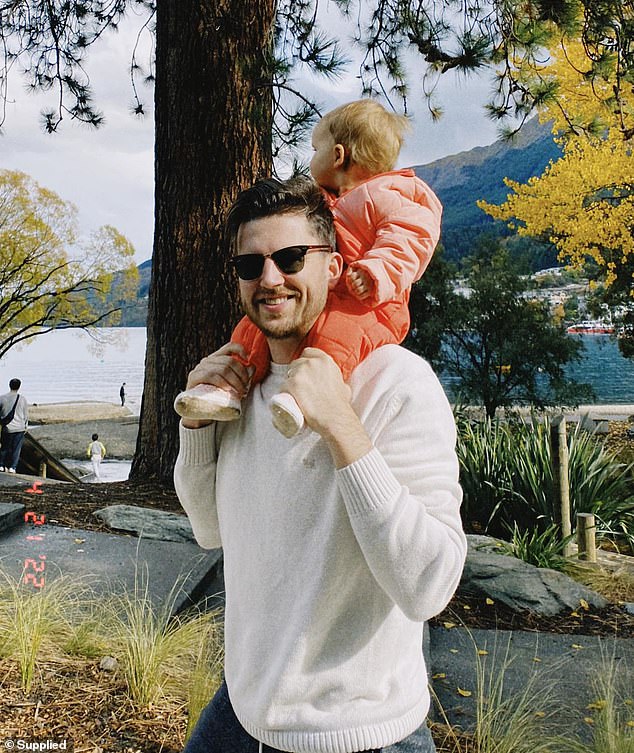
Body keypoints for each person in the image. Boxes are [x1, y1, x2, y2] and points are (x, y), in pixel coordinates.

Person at [174, 176, 466, 753]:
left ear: (333, 268)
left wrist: (341, 426)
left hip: (359, 731)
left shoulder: (398, 383)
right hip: (243, 709)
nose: (270, 279)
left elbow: (430, 586)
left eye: (289, 258)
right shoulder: (243, 383)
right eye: (251, 264)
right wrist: (196, 429)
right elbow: (210, 531)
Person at [174, 99, 443, 437]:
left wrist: (376, 272)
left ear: (338, 155)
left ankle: (308, 393)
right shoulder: (325, 202)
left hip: (372, 305)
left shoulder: (391, 192)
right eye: (250, 263)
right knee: (249, 329)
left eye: (316, 148)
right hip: (337, 295)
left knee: (338, 337)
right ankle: (229, 383)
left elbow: (411, 238)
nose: (271, 278)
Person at [0, 378, 29, 474]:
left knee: (4, 447)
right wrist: (26, 426)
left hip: (7, 427)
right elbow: (26, 415)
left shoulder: (2, 398)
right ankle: (13, 467)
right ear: (19, 387)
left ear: (9, 385)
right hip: (19, 427)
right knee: (16, 448)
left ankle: (1, 465)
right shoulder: (22, 399)